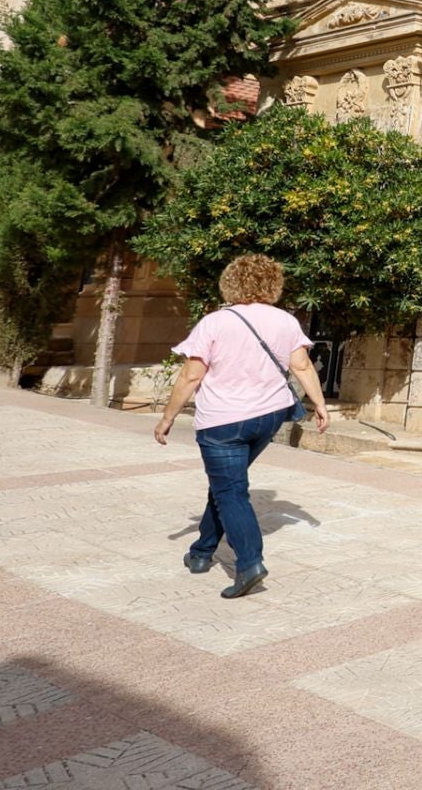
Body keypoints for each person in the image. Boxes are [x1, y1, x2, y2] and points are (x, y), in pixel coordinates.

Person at [153, 254, 329, 599]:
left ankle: (249, 563)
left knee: (231, 491)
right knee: (225, 484)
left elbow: (191, 375)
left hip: (223, 422)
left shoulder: (215, 322)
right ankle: (202, 552)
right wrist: (320, 404)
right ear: (272, 283)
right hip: (269, 417)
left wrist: (167, 417)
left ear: (230, 282)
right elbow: (303, 367)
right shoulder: (285, 321)